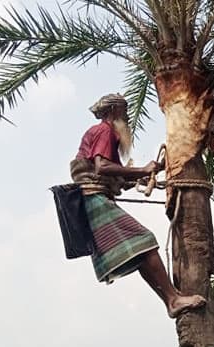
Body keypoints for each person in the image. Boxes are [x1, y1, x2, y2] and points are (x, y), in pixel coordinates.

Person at [59, 93, 205, 319]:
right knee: (144, 240)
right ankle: (173, 299)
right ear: (114, 111)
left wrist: (149, 174)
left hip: (94, 199)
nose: (127, 116)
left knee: (137, 253)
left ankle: (171, 301)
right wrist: (142, 171)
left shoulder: (104, 134)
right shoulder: (104, 131)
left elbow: (116, 177)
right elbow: (102, 168)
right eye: (124, 111)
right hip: (93, 198)